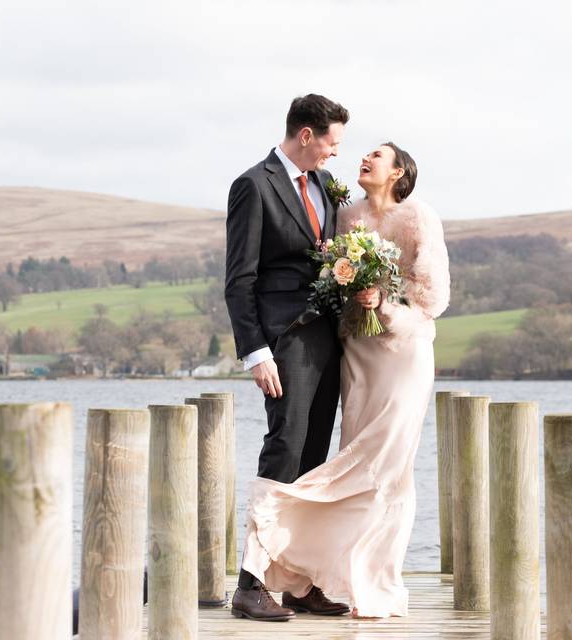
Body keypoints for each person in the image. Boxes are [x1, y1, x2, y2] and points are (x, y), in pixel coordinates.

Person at [239, 141, 451, 618]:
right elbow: (330, 278)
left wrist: (386, 304)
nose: (362, 158)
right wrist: (354, 293)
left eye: (376, 155)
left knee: (387, 471)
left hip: (402, 355)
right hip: (357, 352)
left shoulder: (420, 218)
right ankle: (302, 569)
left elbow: (433, 296)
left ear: (398, 172)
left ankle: (376, 582)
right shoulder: (346, 216)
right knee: (352, 461)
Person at [225, 94, 352, 621]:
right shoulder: (253, 186)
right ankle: (250, 584)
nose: (335, 154)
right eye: (331, 142)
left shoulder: (323, 186)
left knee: (314, 463)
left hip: (327, 341)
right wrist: (257, 352)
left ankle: (298, 581)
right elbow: (240, 280)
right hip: (283, 342)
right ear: (306, 135)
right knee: (284, 451)